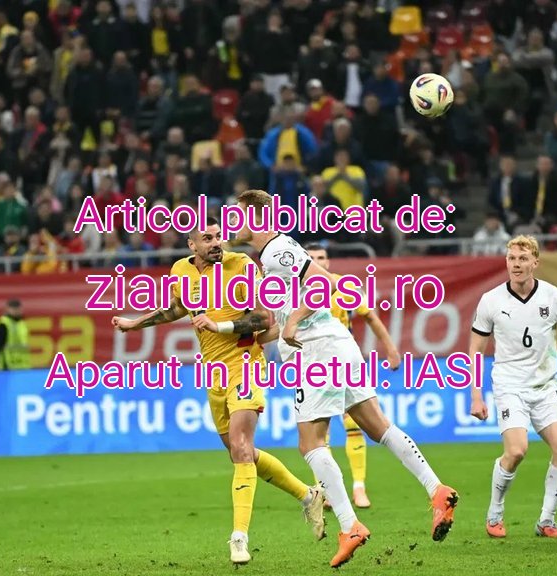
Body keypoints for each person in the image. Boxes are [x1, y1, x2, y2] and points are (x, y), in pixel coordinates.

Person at [234, 189, 458, 568]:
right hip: (336, 343)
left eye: (236, 216)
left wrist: (293, 321)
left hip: (318, 351)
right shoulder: (272, 255)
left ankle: (349, 525)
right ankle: (437, 489)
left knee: (310, 443)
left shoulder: (276, 250)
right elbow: (291, 310)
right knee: (378, 426)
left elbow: (324, 283)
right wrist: (258, 334)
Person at [110, 216, 325, 565]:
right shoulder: (181, 270)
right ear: (192, 245)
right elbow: (177, 308)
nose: (216, 243)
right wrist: (135, 323)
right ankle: (308, 495)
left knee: (241, 447)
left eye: (219, 236)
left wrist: (219, 325)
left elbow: (262, 320)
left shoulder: (242, 266)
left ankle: (239, 538)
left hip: (246, 363)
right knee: (240, 452)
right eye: (207, 238)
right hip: (214, 373)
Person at [469, 235, 557, 539]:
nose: (516, 264)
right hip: (510, 386)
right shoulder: (491, 301)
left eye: (523, 259)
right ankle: (495, 513)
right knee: (517, 451)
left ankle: (546, 520)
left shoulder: (555, 297)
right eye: (511, 258)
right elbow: (476, 349)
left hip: (546, 386)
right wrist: (476, 396)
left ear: (535, 262)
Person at [303, 242, 402, 509]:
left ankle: (359, 487)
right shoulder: (297, 290)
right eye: (311, 258)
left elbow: (370, 317)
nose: (317, 261)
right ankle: (324, 490)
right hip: (313, 366)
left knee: (354, 425)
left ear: (328, 261)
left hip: (345, 363)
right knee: (319, 433)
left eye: (321, 257)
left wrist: (391, 349)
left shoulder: (341, 286)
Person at [0, 299, 31, 369]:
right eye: (13, 308)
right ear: (7, 309)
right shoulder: (3, 324)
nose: (16, 311)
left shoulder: (22, 324)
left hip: (23, 366)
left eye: (18, 308)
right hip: (7, 366)